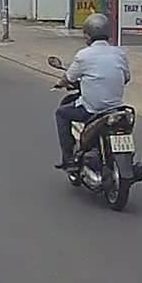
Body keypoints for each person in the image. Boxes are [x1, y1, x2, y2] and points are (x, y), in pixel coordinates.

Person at [54, 13, 130, 169]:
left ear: (88, 35)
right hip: (117, 109)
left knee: (61, 113)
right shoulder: (119, 53)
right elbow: (126, 78)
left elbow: (68, 78)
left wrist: (60, 83)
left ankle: (68, 159)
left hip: (93, 110)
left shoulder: (84, 55)